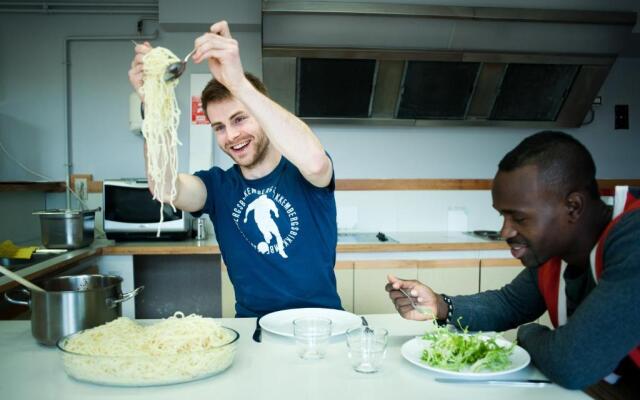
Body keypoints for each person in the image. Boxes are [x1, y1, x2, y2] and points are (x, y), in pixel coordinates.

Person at [386, 131, 640, 397]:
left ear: (573, 207)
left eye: (519, 218)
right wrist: (439, 305)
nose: (505, 231)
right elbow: (511, 304)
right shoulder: (556, 250)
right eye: (502, 215)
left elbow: (570, 363)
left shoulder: (633, 236)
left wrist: (530, 333)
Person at [128, 21, 342, 317]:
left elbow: (317, 163)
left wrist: (238, 82)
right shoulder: (218, 187)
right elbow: (166, 188)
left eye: (240, 119)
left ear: (262, 114)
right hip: (254, 328)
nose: (230, 136)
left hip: (323, 322)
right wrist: (151, 105)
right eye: (219, 127)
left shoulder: (303, 172)